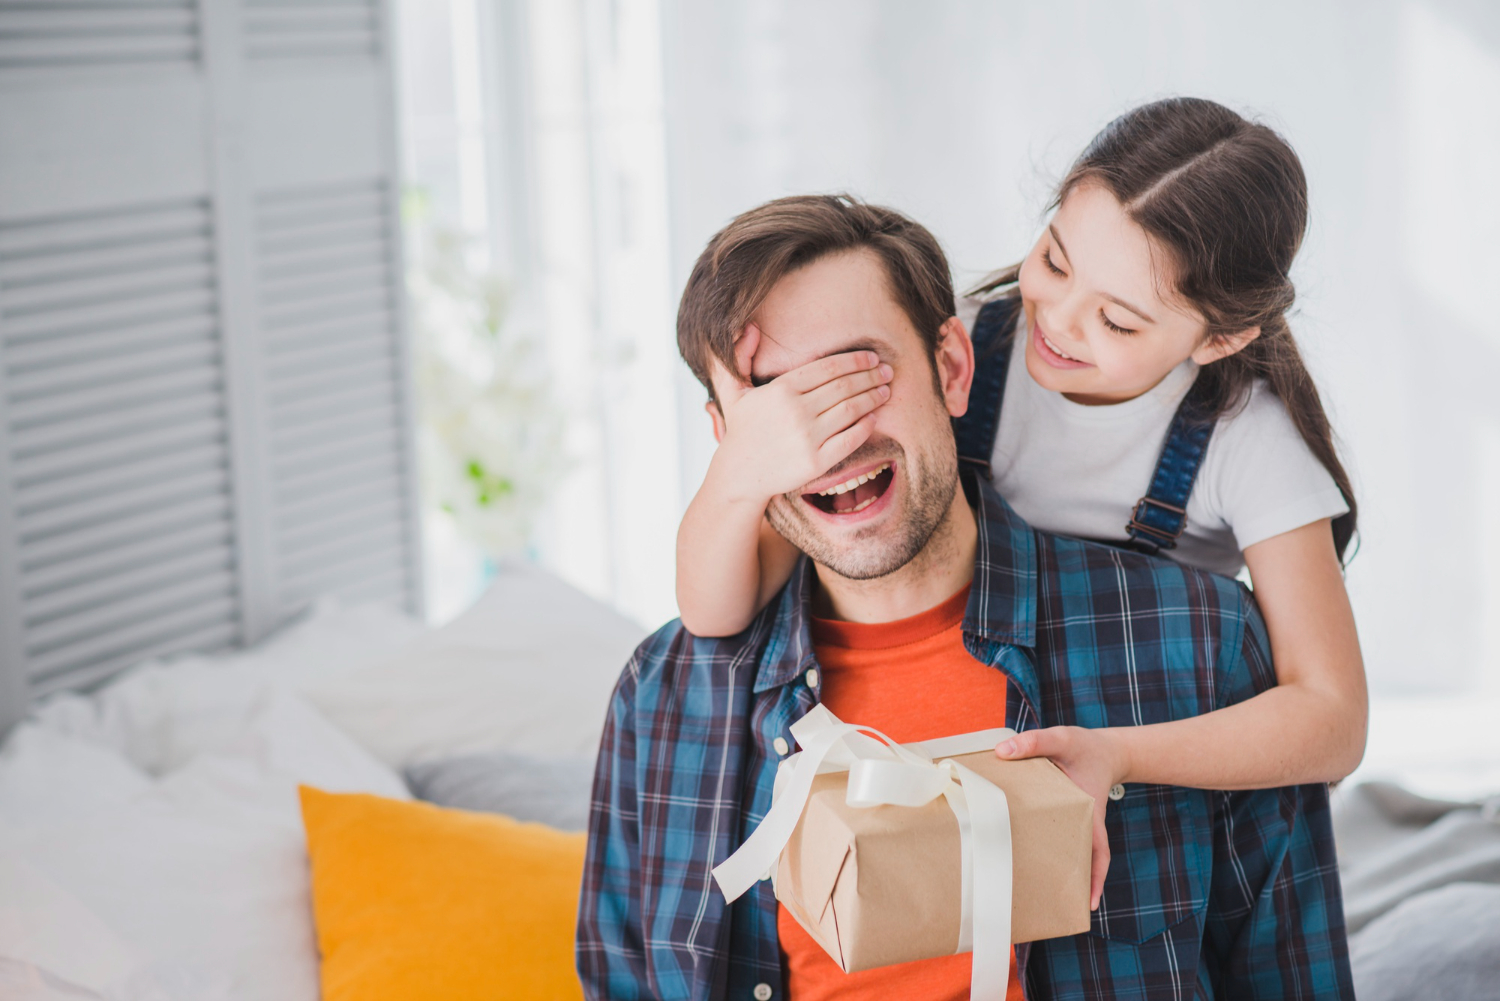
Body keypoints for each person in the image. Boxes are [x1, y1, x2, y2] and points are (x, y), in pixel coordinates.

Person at [578, 192, 1354, 1000]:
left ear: (951, 367)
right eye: (775, 401)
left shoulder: (1200, 646)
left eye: (858, 375)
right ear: (725, 439)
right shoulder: (662, 694)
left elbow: (1294, 972)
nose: (828, 436)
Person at [675, 97, 1367, 854]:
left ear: (1222, 336)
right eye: (1055, 262)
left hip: (1131, 765)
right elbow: (721, 607)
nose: (1060, 320)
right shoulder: (958, 348)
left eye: (1118, 321)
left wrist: (1120, 754)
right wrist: (737, 470)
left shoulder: (1248, 439)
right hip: (954, 735)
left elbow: (1332, 719)